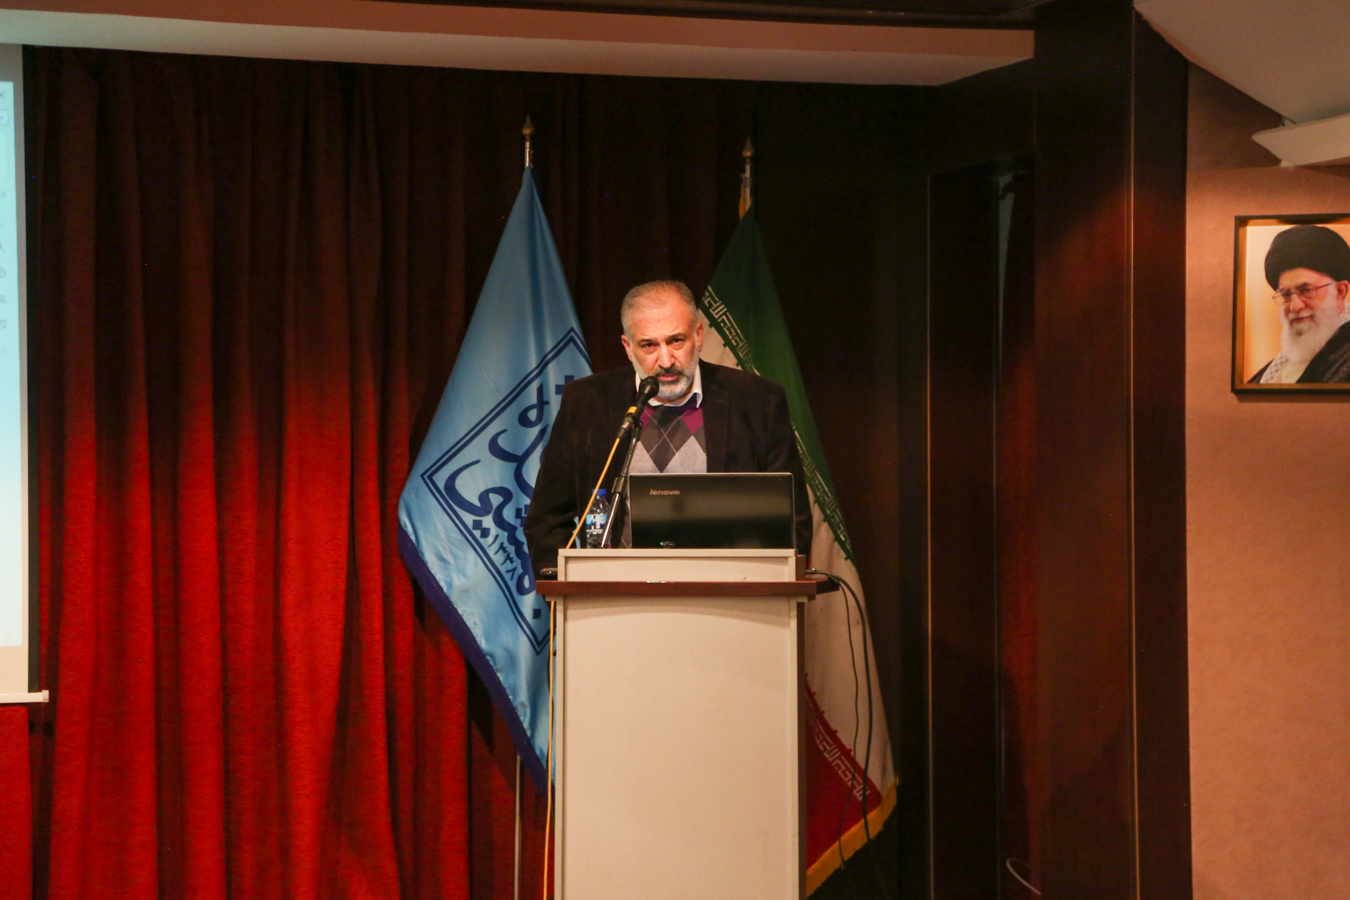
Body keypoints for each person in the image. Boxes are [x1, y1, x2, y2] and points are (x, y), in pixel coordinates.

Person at [524, 279, 812, 574]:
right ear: (628, 347)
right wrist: (573, 589)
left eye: (676, 341)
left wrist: (760, 589)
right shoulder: (587, 402)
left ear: (698, 336)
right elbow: (546, 519)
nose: (665, 360)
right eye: (649, 345)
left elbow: (793, 521)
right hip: (616, 594)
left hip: (728, 592)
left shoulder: (757, 401)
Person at [1249, 224, 1350, 384]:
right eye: (1286, 295)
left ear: (1339, 291)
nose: (1295, 306)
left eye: (1306, 290)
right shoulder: (1283, 362)